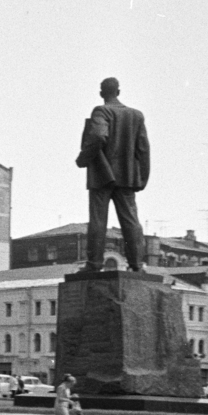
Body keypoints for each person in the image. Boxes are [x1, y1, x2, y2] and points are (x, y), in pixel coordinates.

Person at [75, 77, 150, 272]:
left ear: (101, 93)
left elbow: (99, 136)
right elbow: (144, 149)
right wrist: (142, 178)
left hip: (102, 175)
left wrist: (83, 158)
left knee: (98, 220)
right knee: (131, 220)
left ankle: (93, 265)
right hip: (128, 177)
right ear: (119, 91)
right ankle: (137, 265)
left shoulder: (101, 111)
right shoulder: (136, 115)